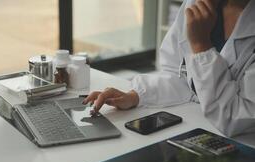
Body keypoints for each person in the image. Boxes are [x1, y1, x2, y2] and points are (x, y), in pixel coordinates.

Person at [83, 0, 255, 137]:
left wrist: (201, 45)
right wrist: (135, 96)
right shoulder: (196, 5)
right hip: (197, 128)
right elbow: (179, 75)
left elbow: (236, 118)